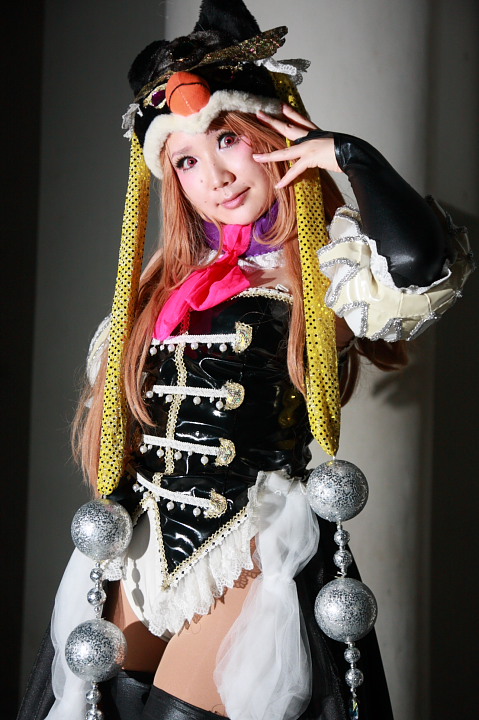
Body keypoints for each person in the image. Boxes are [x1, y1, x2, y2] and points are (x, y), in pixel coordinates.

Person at [17, 2, 473, 720]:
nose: (216, 177)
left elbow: (419, 262)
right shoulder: (161, 290)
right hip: (139, 548)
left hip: (246, 546)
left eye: (227, 139)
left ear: (270, 133)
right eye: (186, 160)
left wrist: (348, 155)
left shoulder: (320, 276)